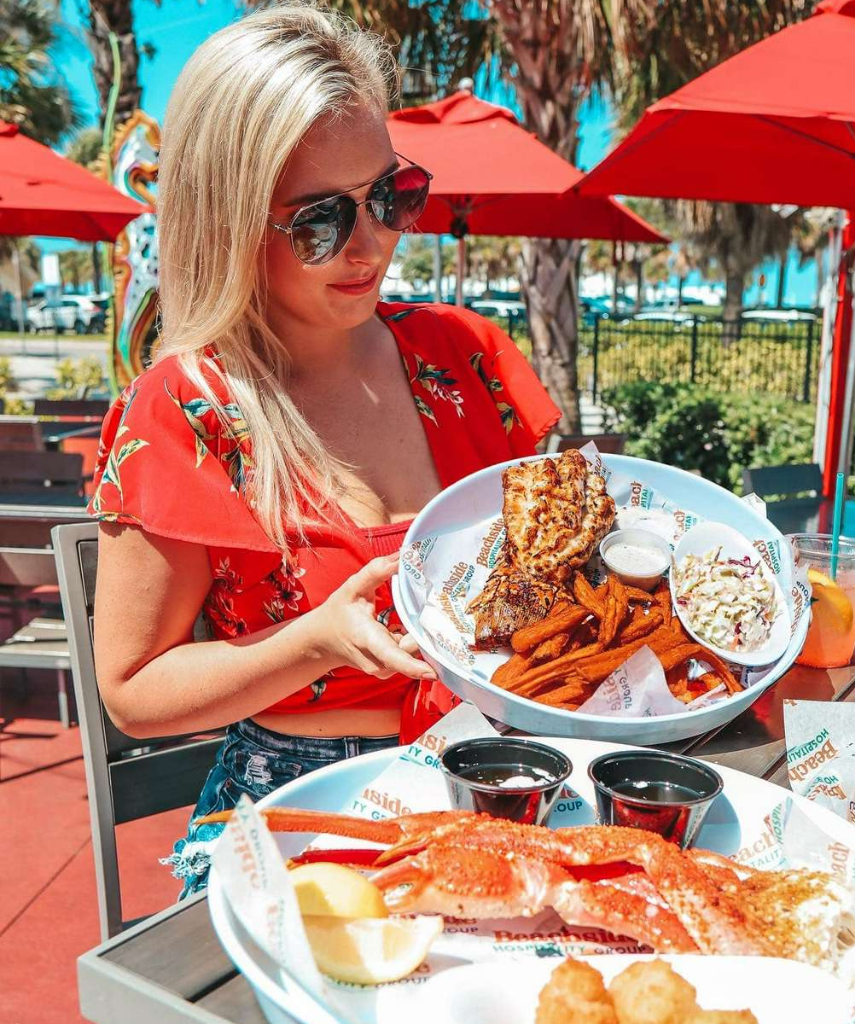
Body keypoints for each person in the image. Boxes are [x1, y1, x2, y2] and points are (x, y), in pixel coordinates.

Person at [90, 2, 560, 897]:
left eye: (391, 196)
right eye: (319, 221)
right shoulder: (190, 406)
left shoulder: (463, 354)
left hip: (495, 773)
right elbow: (133, 690)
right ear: (228, 222)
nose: (373, 240)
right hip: (294, 805)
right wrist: (314, 644)